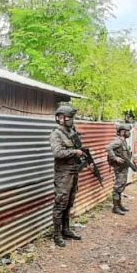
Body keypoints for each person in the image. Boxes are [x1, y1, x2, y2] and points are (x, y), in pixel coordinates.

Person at [49, 105, 85, 247]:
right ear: (61, 118)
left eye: (72, 118)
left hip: (74, 171)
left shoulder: (71, 131)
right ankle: (57, 235)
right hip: (63, 174)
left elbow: (79, 148)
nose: (71, 120)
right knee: (60, 203)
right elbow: (57, 153)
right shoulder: (56, 134)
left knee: (69, 202)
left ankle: (66, 230)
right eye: (69, 118)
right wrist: (74, 152)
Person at [106, 122, 133, 215]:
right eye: (127, 131)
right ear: (121, 132)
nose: (129, 133)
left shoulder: (123, 141)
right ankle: (115, 207)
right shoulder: (117, 141)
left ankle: (119, 205)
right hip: (119, 168)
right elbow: (108, 147)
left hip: (124, 167)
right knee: (118, 187)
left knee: (122, 185)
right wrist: (115, 158)